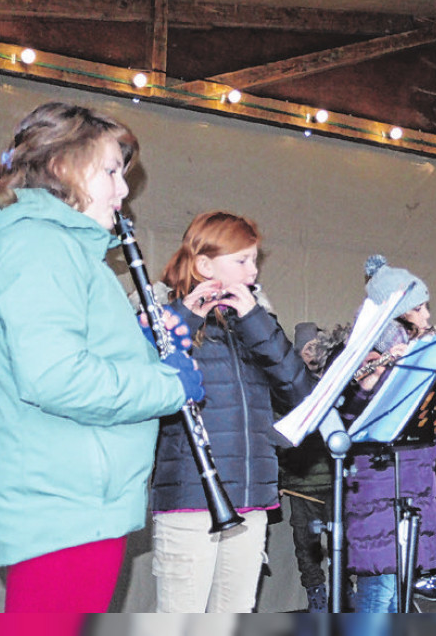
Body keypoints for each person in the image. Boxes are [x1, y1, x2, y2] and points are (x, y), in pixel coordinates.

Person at [0, 101, 203, 612]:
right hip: (63, 505)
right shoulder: (39, 245)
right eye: (111, 171)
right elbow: (56, 377)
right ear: (62, 166)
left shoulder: (55, 246)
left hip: (74, 500)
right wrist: (168, 386)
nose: (123, 189)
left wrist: (141, 348)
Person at [150, 211, 314, 612]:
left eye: (254, 260)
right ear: (205, 265)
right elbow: (144, 378)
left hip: (251, 500)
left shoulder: (255, 322)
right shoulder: (162, 315)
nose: (253, 272)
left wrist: (257, 321)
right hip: (190, 499)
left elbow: (300, 391)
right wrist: (186, 318)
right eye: (241, 261)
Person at [339, 255, 436, 612]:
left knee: (396, 592)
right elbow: (349, 416)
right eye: (419, 308)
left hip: (410, 483)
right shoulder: (362, 352)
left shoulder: (415, 351)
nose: (427, 315)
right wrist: (376, 373)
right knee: (380, 589)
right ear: (397, 311)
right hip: (380, 491)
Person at [278, 321, 350, 612]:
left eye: (316, 345)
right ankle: (317, 598)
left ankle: (343, 596)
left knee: (341, 544)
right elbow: (279, 433)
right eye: (306, 347)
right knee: (306, 548)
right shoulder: (287, 386)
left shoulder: (338, 381)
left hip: (334, 482)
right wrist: (278, 480)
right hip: (301, 485)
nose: (312, 353)